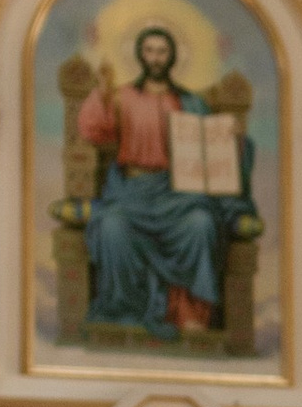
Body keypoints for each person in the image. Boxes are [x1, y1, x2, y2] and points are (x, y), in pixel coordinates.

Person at [76, 22, 254, 341]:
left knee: (201, 224)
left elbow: (213, 148)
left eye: (162, 52)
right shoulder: (122, 97)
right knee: (112, 227)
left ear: (172, 58)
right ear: (140, 56)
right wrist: (101, 92)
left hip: (179, 194)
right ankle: (123, 311)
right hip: (132, 193)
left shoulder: (191, 103)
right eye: (149, 51)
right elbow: (93, 131)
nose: (155, 58)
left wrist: (231, 140)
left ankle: (189, 315)